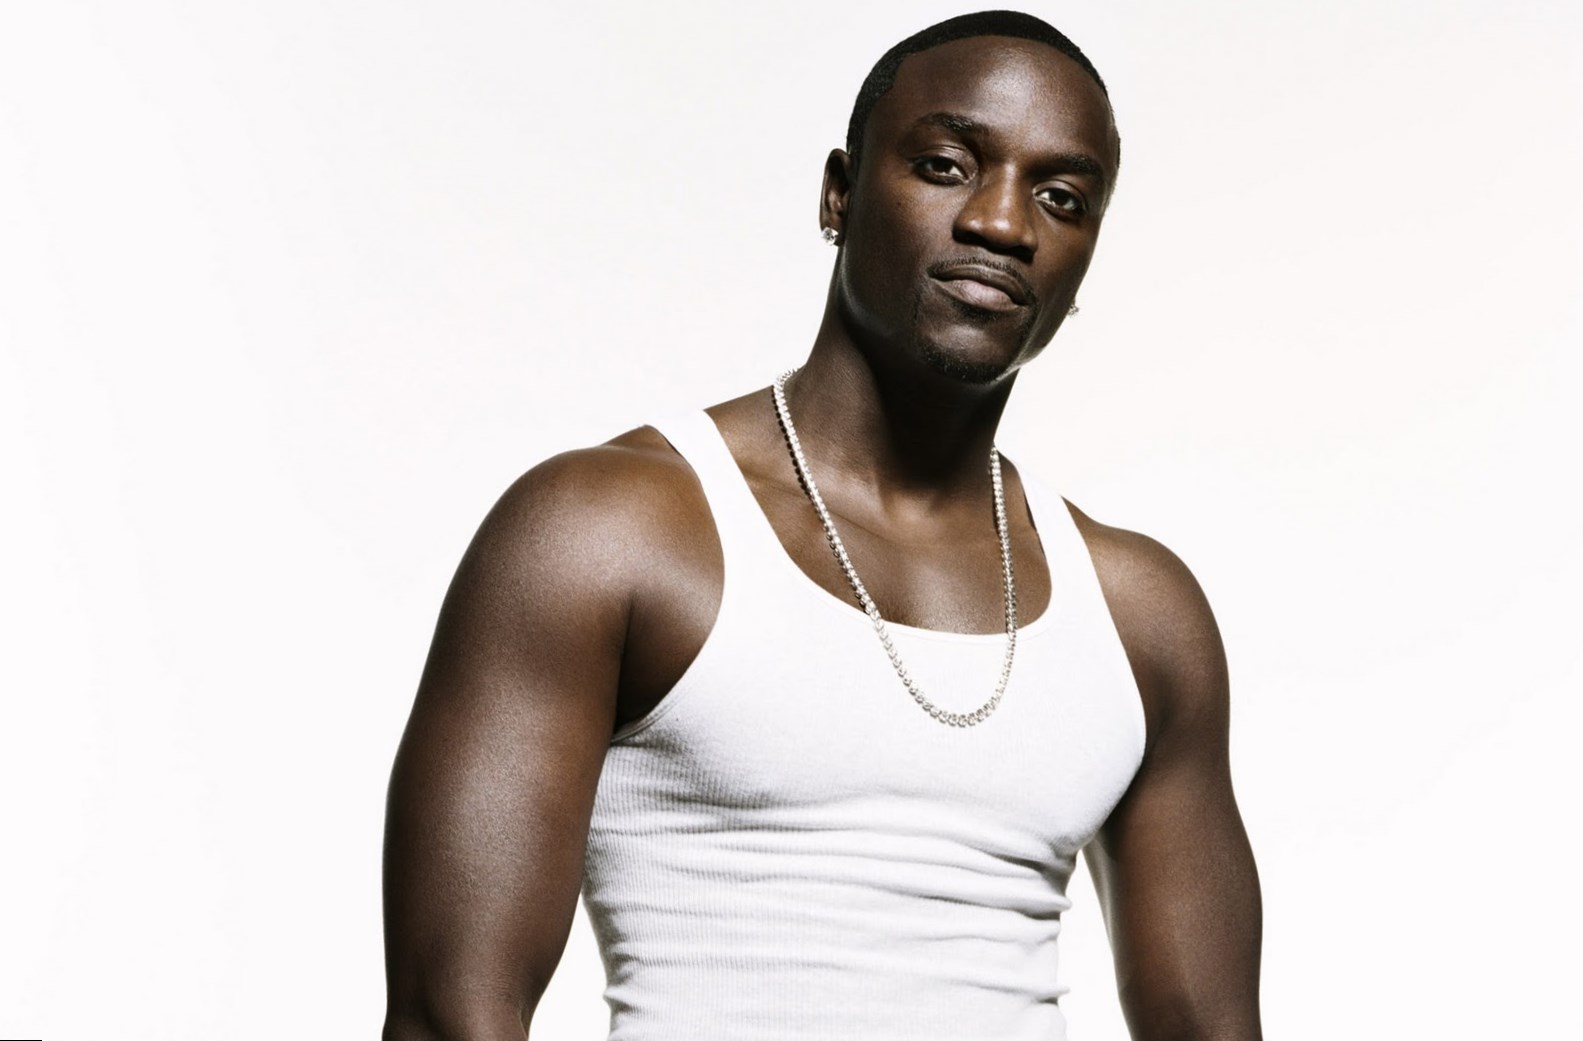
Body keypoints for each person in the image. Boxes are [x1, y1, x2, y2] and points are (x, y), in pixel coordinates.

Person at [382, 10, 1262, 1040]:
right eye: (945, 166)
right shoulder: (610, 533)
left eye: (1060, 198)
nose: (1001, 224)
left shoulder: (1138, 616)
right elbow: (451, 1015)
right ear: (839, 194)